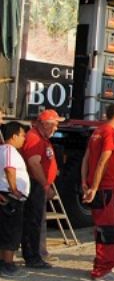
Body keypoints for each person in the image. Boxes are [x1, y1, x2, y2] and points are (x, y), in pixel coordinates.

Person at [81, 103, 114, 281]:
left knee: (102, 228)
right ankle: (103, 269)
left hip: (99, 186)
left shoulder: (96, 132)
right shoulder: (109, 133)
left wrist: (85, 182)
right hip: (105, 187)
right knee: (106, 229)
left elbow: (86, 158)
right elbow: (103, 160)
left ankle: (106, 263)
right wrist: (95, 186)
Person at [20, 109, 64, 269]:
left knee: (37, 220)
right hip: (35, 185)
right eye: (55, 124)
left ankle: (37, 253)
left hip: (38, 184)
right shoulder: (34, 138)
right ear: (46, 124)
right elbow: (34, 163)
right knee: (33, 221)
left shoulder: (41, 138)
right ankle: (33, 256)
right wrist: (45, 184)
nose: (56, 128)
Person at [0, 122, 30, 278]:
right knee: (12, 231)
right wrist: (14, 190)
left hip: (6, 194)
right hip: (10, 197)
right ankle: (8, 264)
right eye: (22, 135)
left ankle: (3, 262)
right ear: (14, 136)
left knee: (6, 230)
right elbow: (9, 169)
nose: (24, 138)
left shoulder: (3, 150)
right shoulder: (9, 150)